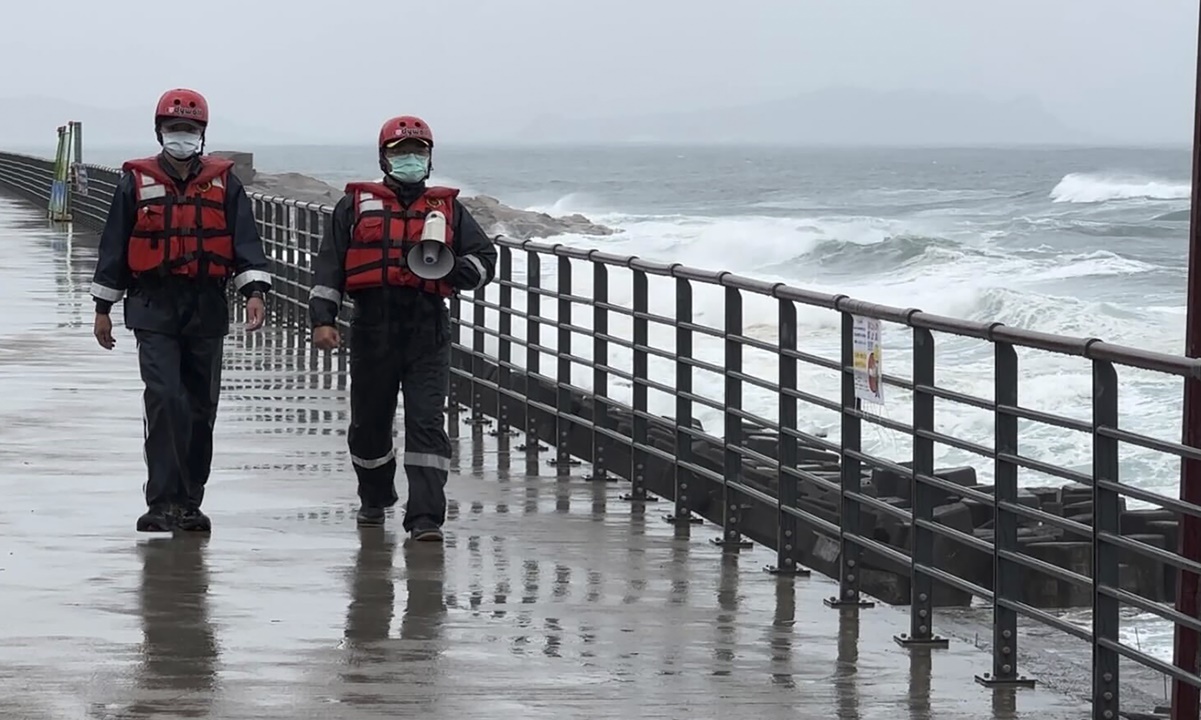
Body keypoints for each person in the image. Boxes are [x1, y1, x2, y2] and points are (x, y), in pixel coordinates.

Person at [89, 87, 272, 534]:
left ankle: (190, 502)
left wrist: (254, 293)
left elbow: (246, 243)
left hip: (206, 305)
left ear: (202, 135)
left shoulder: (226, 185)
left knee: (198, 407)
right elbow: (114, 244)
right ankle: (161, 501)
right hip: (153, 305)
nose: (182, 136)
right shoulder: (134, 182)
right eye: (174, 128)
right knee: (165, 398)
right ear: (160, 132)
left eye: (189, 129)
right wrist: (103, 308)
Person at [308, 114, 497, 541]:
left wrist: (462, 271)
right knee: (369, 424)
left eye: (418, 151)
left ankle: (426, 518)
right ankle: (374, 497)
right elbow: (329, 266)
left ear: (429, 158)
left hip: (427, 330)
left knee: (427, 424)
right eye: (401, 152)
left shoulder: (448, 210)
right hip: (373, 328)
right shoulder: (354, 208)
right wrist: (322, 320)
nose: (410, 159)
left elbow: (485, 257)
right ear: (384, 157)